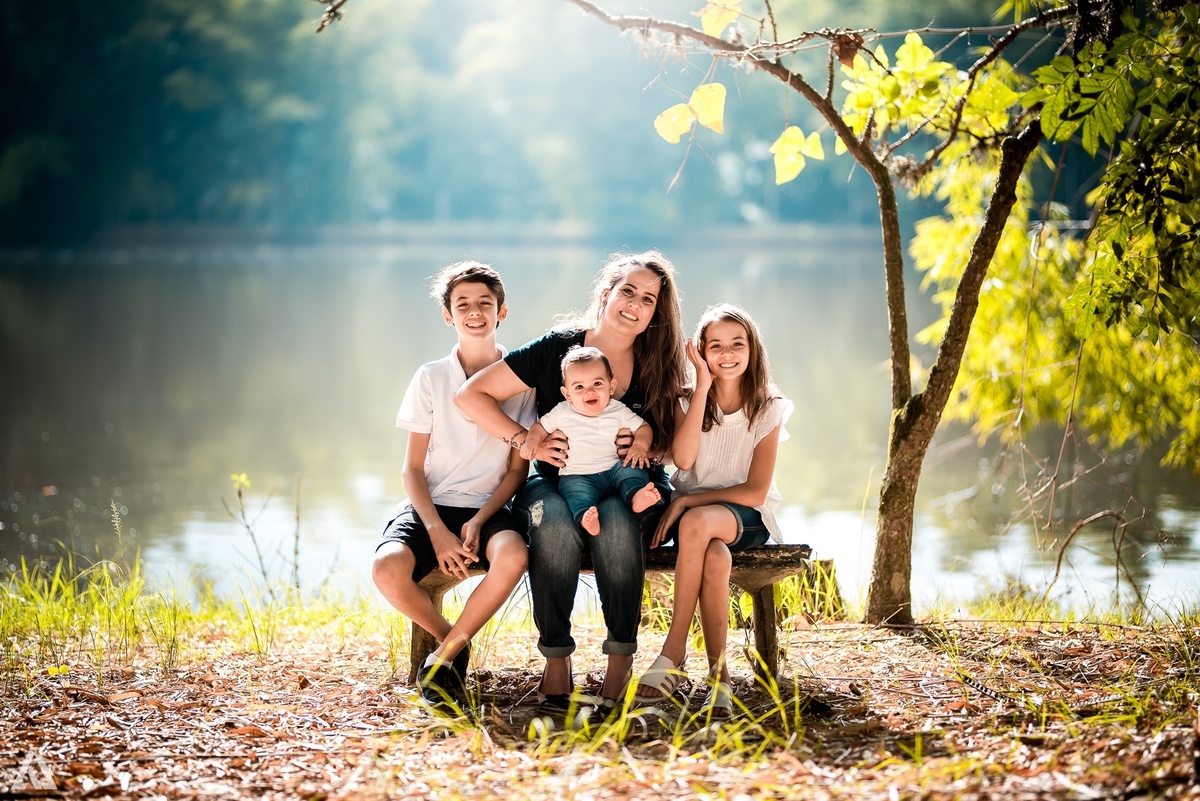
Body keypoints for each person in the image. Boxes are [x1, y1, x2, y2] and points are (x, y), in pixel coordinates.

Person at [456, 251, 686, 715]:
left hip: (627, 486)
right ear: (606, 294)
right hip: (554, 482)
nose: (635, 305)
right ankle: (556, 663)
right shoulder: (559, 349)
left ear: (655, 312)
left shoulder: (658, 362)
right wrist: (525, 440)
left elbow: (675, 446)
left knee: (620, 519)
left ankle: (620, 664)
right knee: (555, 520)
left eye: (648, 299)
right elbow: (470, 394)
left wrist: (644, 443)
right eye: (627, 291)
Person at [372, 261, 536, 713]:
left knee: (515, 555)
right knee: (386, 568)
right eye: (463, 304)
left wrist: (481, 520)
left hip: (490, 508)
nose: (475, 312)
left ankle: (441, 657)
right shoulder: (431, 377)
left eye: (485, 303)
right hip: (431, 507)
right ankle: (453, 643)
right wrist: (438, 531)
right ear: (448, 315)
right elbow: (411, 469)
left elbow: (515, 472)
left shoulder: (520, 381)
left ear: (502, 311)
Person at [633, 303, 792, 719]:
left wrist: (687, 499)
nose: (727, 354)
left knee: (697, 521)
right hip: (698, 529)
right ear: (700, 351)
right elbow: (683, 462)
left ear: (752, 350)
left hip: (744, 517)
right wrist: (700, 387)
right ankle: (719, 679)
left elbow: (756, 491)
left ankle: (674, 650)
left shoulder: (767, 406)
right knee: (715, 557)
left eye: (737, 344)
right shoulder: (686, 400)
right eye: (715, 346)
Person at [520, 345, 663, 536]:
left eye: (597, 384)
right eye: (579, 387)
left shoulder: (617, 410)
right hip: (578, 475)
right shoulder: (562, 411)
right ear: (567, 394)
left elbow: (643, 427)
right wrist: (532, 441)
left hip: (614, 468)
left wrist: (639, 446)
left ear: (611, 386)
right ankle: (586, 518)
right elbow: (539, 427)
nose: (589, 392)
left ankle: (636, 496)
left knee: (632, 470)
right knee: (575, 493)